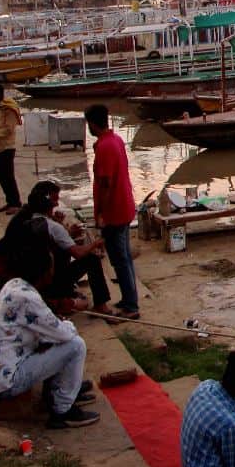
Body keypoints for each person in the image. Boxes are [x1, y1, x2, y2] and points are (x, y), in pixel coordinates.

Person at [0, 233, 100, 429]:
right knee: (75, 345)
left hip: (1, 370)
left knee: (53, 340)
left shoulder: (14, 285)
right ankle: (62, 410)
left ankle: (62, 391)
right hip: (5, 381)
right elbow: (64, 333)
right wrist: (65, 322)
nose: (53, 269)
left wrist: (56, 325)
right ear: (42, 272)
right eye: (51, 266)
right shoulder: (27, 297)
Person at [83, 104, 139, 320]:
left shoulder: (107, 146)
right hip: (124, 206)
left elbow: (105, 184)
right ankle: (128, 299)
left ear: (92, 123)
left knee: (120, 259)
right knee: (123, 257)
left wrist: (102, 215)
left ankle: (131, 307)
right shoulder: (114, 140)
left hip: (115, 210)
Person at [29, 181, 111, 314]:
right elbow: (77, 253)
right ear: (48, 203)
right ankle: (101, 305)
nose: (57, 204)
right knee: (92, 260)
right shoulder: (52, 227)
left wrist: (66, 231)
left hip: (37, 280)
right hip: (51, 282)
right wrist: (95, 244)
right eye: (55, 200)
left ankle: (65, 293)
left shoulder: (29, 221)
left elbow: (53, 243)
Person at [0, 83, 22, 215]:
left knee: (7, 176)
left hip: (6, 146)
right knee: (1, 176)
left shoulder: (9, 108)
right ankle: (10, 202)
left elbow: (9, 129)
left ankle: (16, 203)